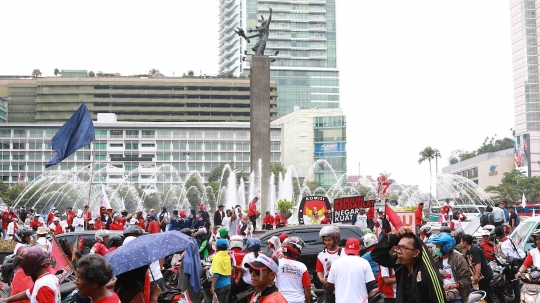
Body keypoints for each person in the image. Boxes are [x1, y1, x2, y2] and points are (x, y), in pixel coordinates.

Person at [372, 226, 446, 303]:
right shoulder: (399, 264)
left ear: (416, 252)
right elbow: (376, 255)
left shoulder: (428, 274)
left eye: (404, 248)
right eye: (398, 247)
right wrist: (395, 236)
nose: (399, 252)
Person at [327, 238, 376, 303]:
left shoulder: (336, 263)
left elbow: (330, 285)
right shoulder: (364, 263)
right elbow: (370, 284)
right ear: (359, 249)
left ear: (345, 250)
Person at [428, 233, 472, 303]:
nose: (436, 248)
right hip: (441, 294)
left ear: (446, 246)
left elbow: (467, 279)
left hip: (457, 295)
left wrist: (455, 285)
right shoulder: (436, 260)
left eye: (438, 246)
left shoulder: (459, 259)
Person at [276, 237, 311, 303]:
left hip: (281, 300)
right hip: (298, 300)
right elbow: (307, 287)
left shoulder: (277, 263)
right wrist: (308, 301)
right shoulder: (302, 266)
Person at [461, 235, 494, 303]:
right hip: (484, 274)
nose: (460, 243)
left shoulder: (474, 249)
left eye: (461, 241)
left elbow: (478, 263)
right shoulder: (470, 250)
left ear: (465, 242)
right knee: (487, 294)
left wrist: (476, 277)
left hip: (485, 274)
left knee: (484, 294)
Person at [317, 225, 343, 303]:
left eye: (329, 240)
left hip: (342, 288)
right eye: (325, 240)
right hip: (329, 289)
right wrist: (322, 280)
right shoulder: (321, 255)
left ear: (335, 239)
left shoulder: (343, 253)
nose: (327, 242)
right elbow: (319, 270)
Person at [211, 239, 231, 303]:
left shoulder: (216, 257)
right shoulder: (228, 256)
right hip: (228, 285)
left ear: (217, 247)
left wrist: (212, 286)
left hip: (220, 286)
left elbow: (216, 274)